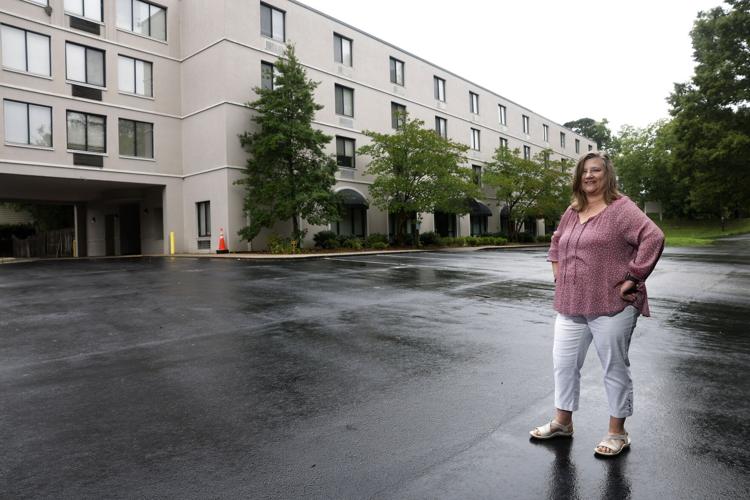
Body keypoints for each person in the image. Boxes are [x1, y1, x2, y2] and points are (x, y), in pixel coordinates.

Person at [529, 151, 665, 457]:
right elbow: (556, 242)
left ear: (607, 176)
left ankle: (618, 432)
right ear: (578, 177)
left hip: (611, 304)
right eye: (584, 171)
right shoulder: (573, 209)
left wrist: (635, 277)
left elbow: (653, 237)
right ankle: (563, 422)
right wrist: (558, 276)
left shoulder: (621, 209)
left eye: (596, 171)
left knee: (614, 368)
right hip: (571, 305)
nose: (590, 176)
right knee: (564, 364)